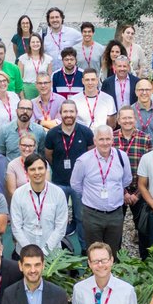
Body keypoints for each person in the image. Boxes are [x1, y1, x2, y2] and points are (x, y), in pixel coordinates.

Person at [71, 125, 131, 255]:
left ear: (112, 139)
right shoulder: (84, 160)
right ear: (95, 141)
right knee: (94, 252)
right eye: (101, 139)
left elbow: (126, 180)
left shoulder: (122, 157)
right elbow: (75, 184)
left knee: (113, 251)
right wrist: (91, 196)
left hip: (115, 213)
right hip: (92, 214)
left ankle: (111, 275)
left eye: (108, 139)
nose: (105, 143)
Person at [44, 100, 94, 250]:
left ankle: (85, 249)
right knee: (59, 219)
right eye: (65, 111)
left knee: (81, 218)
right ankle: (61, 249)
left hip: (81, 184)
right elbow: (49, 155)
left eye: (71, 111)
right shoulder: (52, 133)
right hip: (60, 183)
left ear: (76, 113)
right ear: (60, 114)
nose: (68, 115)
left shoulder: (85, 132)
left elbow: (91, 154)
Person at [113, 106, 153, 256]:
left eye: (130, 117)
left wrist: (137, 194)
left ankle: (146, 262)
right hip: (118, 191)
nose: (127, 121)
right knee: (115, 230)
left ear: (135, 119)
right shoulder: (112, 138)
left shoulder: (146, 139)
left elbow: (151, 168)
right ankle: (115, 263)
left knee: (143, 230)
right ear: (118, 120)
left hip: (140, 190)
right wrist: (123, 192)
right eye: (124, 118)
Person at [10, 154, 68, 256]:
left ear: (46, 170)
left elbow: (61, 227)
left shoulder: (58, 193)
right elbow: (16, 227)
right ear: (26, 172)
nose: (37, 172)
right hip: (25, 253)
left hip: (52, 254)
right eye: (32, 169)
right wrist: (31, 252)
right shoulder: (18, 194)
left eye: (40, 168)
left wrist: (45, 251)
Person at [0, 93, 46, 168]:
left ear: (32, 112)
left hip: (33, 173)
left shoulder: (39, 131)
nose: (25, 111)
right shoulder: (4, 130)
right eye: (22, 108)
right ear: (16, 110)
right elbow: (2, 151)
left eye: (28, 109)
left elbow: (41, 152)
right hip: (12, 174)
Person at [5, 133, 46, 201]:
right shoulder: (12, 165)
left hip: (40, 201)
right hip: (20, 201)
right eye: (24, 145)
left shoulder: (43, 163)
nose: (27, 149)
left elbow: (46, 186)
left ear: (35, 147)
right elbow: (12, 192)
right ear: (19, 146)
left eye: (30, 146)